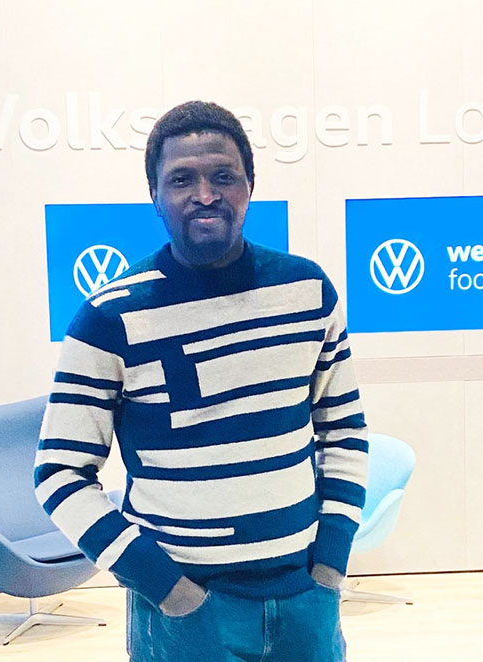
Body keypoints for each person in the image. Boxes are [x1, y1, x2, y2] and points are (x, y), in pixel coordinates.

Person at [34, 100, 368, 662]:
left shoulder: (308, 292)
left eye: (223, 176)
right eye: (182, 179)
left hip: (304, 599)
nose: (206, 194)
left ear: (249, 186)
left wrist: (330, 562)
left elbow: (345, 435)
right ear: (155, 197)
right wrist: (167, 588)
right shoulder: (108, 317)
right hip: (184, 615)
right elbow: (58, 474)